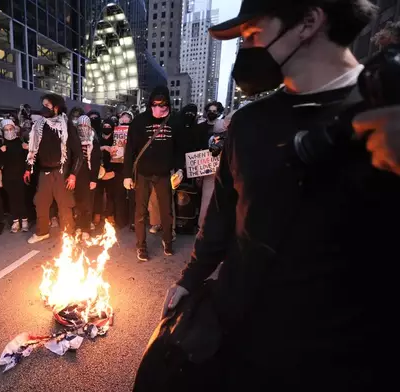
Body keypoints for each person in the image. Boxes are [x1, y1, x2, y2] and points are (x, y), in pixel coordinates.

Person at [158, 0, 399, 389]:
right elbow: (222, 213)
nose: (245, 50)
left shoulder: (388, 115)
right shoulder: (248, 124)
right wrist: (191, 278)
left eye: (252, 34)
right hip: (240, 336)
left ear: (308, 21)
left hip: (339, 357)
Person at [123, 86, 185, 261]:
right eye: (155, 105)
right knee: (140, 212)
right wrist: (127, 174)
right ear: (150, 104)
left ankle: (167, 241)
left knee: (166, 211)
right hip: (143, 173)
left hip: (164, 173)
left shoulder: (175, 121)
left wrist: (180, 169)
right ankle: (141, 246)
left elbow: (180, 148)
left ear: (168, 105)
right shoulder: (139, 121)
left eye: (163, 105)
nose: (159, 109)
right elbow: (130, 150)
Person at [25, 94, 83, 244]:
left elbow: (78, 154)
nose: (43, 108)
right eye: (43, 104)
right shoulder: (39, 126)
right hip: (44, 172)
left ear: (56, 107)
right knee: (40, 202)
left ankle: (69, 234)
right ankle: (42, 231)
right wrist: (28, 168)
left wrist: (73, 175)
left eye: (47, 105)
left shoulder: (67, 126)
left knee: (65, 205)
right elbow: (33, 150)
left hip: (62, 172)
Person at [190, 101, 225, 228]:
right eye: (210, 110)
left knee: (212, 195)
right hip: (201, 164)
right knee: (200, 194)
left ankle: (208, 223)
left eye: (215, 111)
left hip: (216, 166)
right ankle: (198, 220)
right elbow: (195, 144)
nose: (212, 113)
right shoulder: (200, 127)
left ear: (219, 113)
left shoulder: (222, 129)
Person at [94, 118, 127, 227]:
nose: (107, 129)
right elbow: (92, 151)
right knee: (97, 194)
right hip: (98, 171)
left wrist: (113, 172)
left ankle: (110, 215)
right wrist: (103, 148)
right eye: (105, 126)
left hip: (112, 171)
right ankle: (97, 214)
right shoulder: (97, 138)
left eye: (109, 127)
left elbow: (120, 158)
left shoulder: (116, 140)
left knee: (111, 195)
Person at [74, 116, 102, 238]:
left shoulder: (93, 141)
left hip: (89, 175)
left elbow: (95, 162)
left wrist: (93, 179)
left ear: (89, 126)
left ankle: (86, 228)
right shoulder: (74, 140)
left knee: (87, 202)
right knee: (78, 202)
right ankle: (79, 225)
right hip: (76, 174)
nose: (82, 128)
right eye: (80, 126)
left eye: (85, 126)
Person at [0, 118, 30, 233]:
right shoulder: (1, 144)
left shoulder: (21, 143)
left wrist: (26, 149)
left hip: (20, 176)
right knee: (12, 199)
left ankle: (25, 220)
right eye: (6, 130)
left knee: (21, 198)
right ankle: (16, 221)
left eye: (10, 129)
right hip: (8, 177)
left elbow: (29, 160)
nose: (9, 131)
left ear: (14, 129)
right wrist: (0, 152)